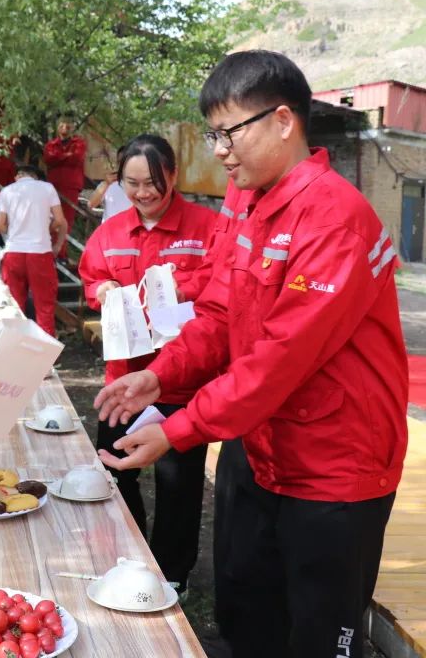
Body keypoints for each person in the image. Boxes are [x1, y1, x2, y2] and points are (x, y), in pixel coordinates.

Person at [94, 50, 407, 658]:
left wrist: (179, 429)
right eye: (213, 134)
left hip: (333, 468)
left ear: (283, 121)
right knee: (245, 619)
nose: (219, 151)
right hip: (262, 447)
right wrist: (159, 376)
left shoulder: (334, 219)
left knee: (318, 638)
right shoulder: (247, 203)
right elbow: (218, 313)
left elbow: (280, 359)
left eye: (229, 132)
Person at [79, 134, 216, 593]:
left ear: (173, 175)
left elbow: (222, 283)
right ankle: (128, 557)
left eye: (152, 182)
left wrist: (183, 286)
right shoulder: (111, 232)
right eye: (132, 183)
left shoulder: (207, 227)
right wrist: (99, 289)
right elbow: (92, 274)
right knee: (116, 471)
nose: (142, 193)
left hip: (183, 382)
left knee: (179, 484)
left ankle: (172, 574)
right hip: (124, 380)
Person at [0, 164, 67, 336]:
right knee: (44, 308)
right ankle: (45, 348)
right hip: (40, 252)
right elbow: (59, 220)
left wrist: (11, 230)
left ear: (18, 176)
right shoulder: (47, 188)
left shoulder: (7, 191)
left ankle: (12, 345)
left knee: (14, 307)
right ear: (35, 176)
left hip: (14, 252)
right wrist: (45, 229)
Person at [43, 115, 87, 260]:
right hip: (53, 186)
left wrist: (59, 157)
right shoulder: (51, 144)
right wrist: (66, 155)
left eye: (68, 126)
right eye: (62, 125)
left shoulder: (79, 143)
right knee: (51, 218)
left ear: (73, 128)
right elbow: (48, 158)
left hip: (70, 186)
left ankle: (60, 253)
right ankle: (49, 250)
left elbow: (76, 158)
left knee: (66, 220)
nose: (65, 128)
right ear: (57, 127)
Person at [87, 153, 131, 223]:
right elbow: (91, 204)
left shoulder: (138, 185)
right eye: (119, 162)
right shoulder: (108, 183)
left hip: (129, 227)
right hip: (108, 227)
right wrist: (107, 183)